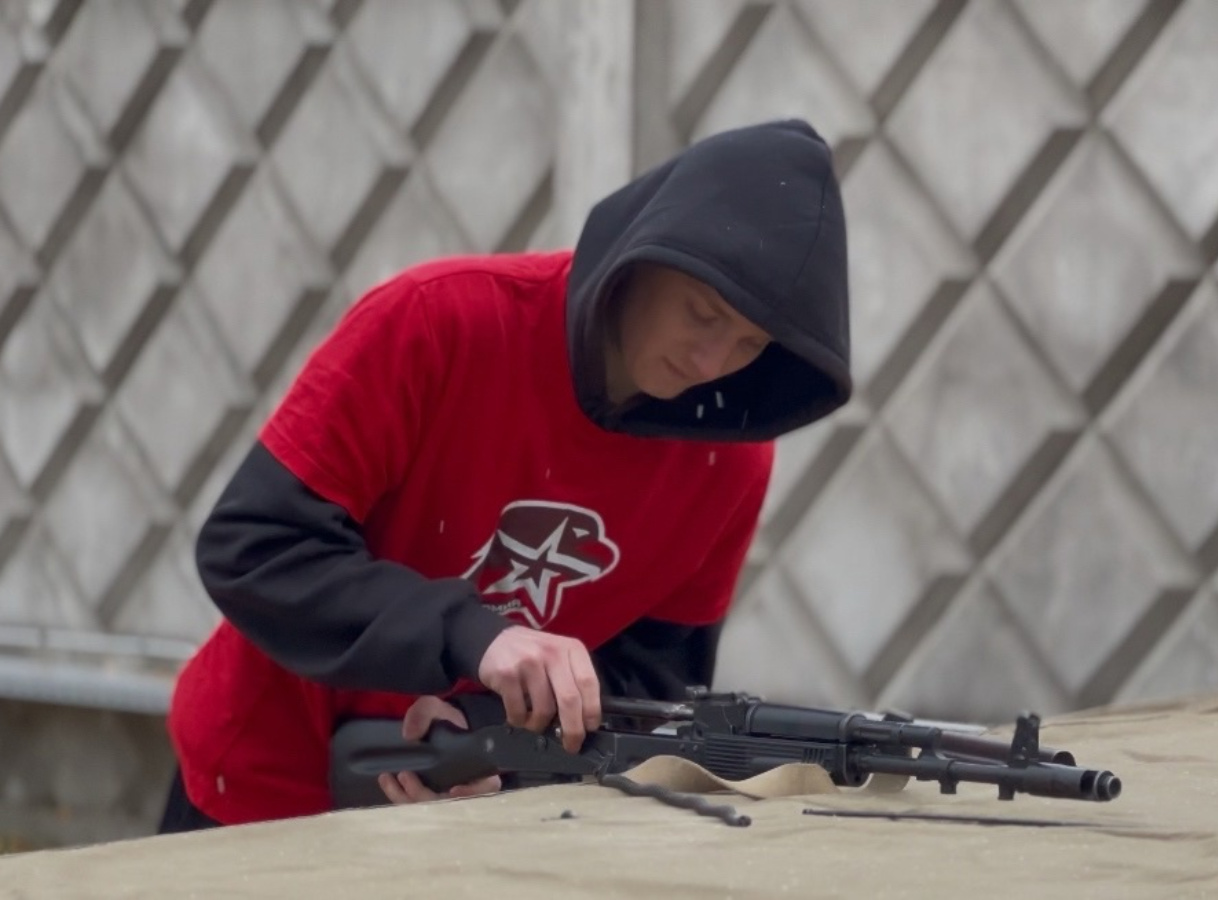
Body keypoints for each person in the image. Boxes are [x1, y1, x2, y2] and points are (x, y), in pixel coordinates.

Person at [157, 118, 851, 831]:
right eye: (702, 314)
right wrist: (473, 636)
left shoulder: (731, 460)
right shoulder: (438, 322)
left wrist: (496, 739)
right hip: (259, 782)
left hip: (478, 814)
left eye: (748, 345)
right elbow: (254, 546)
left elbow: (651, 685)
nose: (711, 363)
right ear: (646, 254)